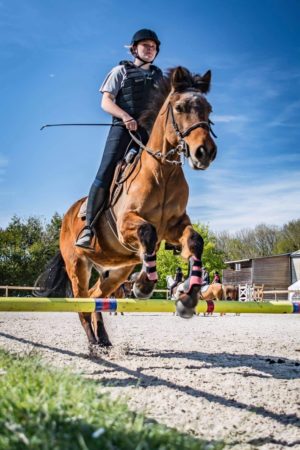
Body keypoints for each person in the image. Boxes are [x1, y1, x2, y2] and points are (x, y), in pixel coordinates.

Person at [76, 29, 163, 249]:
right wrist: (125, 116)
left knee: (166, 169)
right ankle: (88, 228)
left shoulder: (159, 77)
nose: (150, 49)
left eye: (153, 47)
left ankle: (168, 224)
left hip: (148, 133)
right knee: (106, 170)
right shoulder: (120, 71)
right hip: (123, 129)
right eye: (146, 45)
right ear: (134, 48)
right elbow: (106, 102)